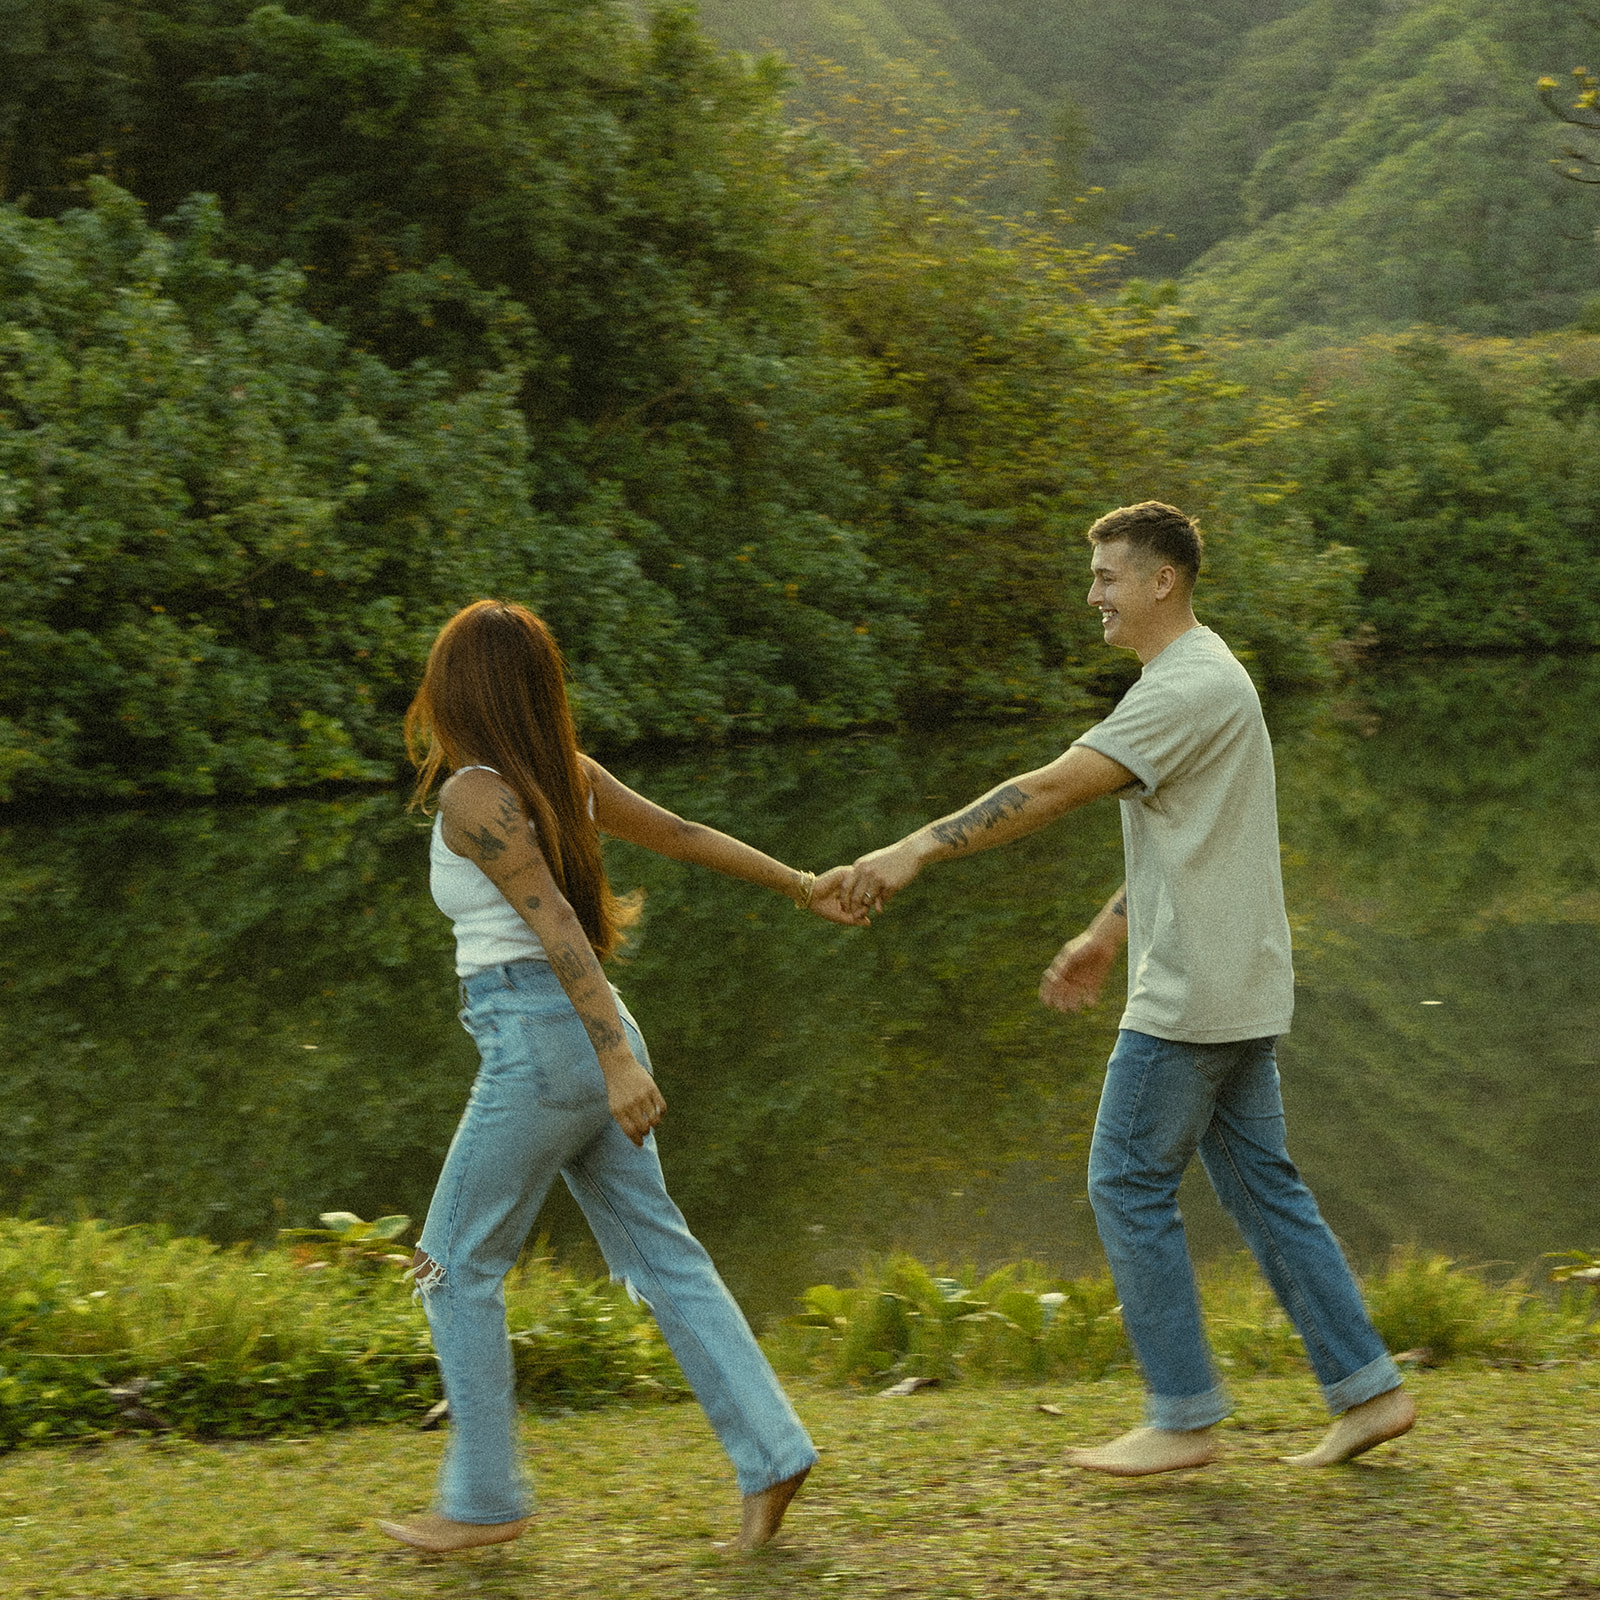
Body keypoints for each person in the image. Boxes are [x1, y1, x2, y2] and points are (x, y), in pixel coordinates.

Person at [837, 501, 1415, 1476]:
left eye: (1107, 575)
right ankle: (1368, 1388)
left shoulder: (1183, 687)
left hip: (1192, 994)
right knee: (1262, 1186)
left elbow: (1056, 786)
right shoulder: (1200, 676)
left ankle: (1182, 1415)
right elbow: (1190, 831)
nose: (1092, 593)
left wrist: (915, 848)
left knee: (1124, 1179)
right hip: (1235, 981)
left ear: (1162, 580)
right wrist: (1108, 930)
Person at [382, 599, 861, 1553]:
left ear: (458, 689)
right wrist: (803, 884)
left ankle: (482, 1501)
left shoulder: (475, 795)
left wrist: (611, 1064)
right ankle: (771, 1451)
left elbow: (557, 922)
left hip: (545, 1043)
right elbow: (682, 832)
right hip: (591, 1039)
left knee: (451, 1267)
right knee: (661, 1253)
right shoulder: (564, 776)